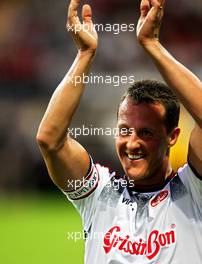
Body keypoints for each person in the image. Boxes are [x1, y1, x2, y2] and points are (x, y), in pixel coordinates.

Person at [36, 0, 202, 263]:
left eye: (146, 133)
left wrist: (153, 46)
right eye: (125, 130)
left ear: (172, 136)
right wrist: (84, 55)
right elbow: (50, 140)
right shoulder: (99, 195)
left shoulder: (194, 193)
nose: (132, 143)